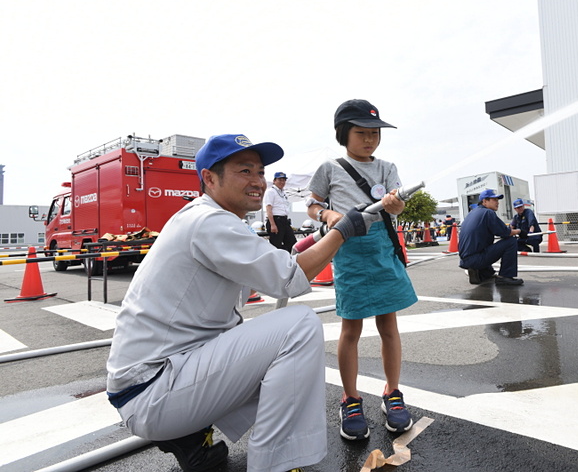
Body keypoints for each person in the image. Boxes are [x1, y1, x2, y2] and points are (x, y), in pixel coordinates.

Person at [106, 133, 381, 472]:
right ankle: (275, 463)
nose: (258, 181)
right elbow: (287, 279)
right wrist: (343, 231)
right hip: (153, 391)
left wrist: (321, 236)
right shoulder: (209, 222)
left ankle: (192, 438)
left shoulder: (205, 218)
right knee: (299, 326)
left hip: (153, 383)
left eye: (261, 172)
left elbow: (277, 262)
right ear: (209, 177)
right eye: (244, 171)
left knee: (269, 355)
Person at [306, 99, 417, 441]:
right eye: (362, 133)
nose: (370, 139)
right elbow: (311, 205)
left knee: (389, 326)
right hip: (349, 251)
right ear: (344, 134)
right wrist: (327, 216)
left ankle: (392, 392)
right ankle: (350, 399)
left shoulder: (387, 167)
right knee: (350, 329)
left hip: (383, 249)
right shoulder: (330, 168)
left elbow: (396, 205)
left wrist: (397, 205)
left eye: (375, 133)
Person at [458, 189, 524, 286]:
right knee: (511, 241)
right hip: (476, 259)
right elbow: (505, 233)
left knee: (485, 243)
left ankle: (485, 272)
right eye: (494, 200)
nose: (497, 203)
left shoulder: (472, 213)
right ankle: (505, 276)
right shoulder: (488, 213)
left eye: (497, 200)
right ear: (485, 201)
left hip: (465, 260)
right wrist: (520, 231)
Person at [265, 171, 296, 252]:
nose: (282, 182)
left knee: (292, 243)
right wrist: (272, 224)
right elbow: (268, 208)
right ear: (274, 181)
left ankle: (290, 261)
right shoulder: (270, 192)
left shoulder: (283, 193)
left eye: (284, 180)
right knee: (276, 245)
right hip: (275, 220)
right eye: (280, 180)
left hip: (284, 220)